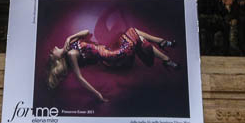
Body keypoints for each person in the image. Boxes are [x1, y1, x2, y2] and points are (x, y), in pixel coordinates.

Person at [47, 27, 181, 102]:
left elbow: (87, 32)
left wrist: (69, 38)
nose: (52, 50)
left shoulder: (71, 44)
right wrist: (98, 95)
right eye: (52, 54)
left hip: (111, 49)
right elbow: (80, 78)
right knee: (134, 32)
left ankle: (166, 58)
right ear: (57, 60)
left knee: (139, 38)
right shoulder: (71, 55)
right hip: (112, 56)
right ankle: (164, 47)